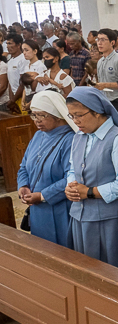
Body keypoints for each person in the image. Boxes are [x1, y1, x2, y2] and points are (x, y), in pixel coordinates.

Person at [65, 87, 118, 270]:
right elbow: (72, 168)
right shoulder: (78, 136)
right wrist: (70, 185)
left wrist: (89, 192)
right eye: (71, 116)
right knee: (86, 270)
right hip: (79, 215)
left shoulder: (116, 139)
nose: (76, 121)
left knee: (110, 271)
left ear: (96, 111)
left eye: (79, 115)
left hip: (107, 220)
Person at [17, 91, 77, 246]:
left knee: (63, 253)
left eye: (41, 115)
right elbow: (24, 165)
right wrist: (23, 185)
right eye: (34, 115)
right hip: (37, 209)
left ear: (56, 114)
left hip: (60, 209)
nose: (36, 121)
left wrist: (42, 195)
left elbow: (71, 178)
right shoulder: (38, 135)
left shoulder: (71, 140)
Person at [95, 29, 118, 135]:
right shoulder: (100, 61)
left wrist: (105, 85)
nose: (99, 43)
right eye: (98, 39)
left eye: (103, 40)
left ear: (112, 42)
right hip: (105, 101)